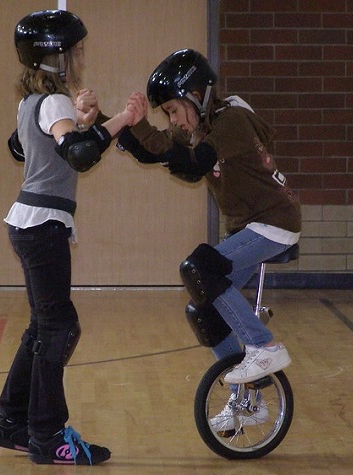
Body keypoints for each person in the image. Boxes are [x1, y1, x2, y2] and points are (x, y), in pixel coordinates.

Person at [118, 49, 301, 430]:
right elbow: (159, 152)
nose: (170, 120)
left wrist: (145, 134)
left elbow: (190, 165)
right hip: (250, 226)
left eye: (171, 109)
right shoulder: (202, 126)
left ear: (196, 95)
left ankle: (263, 346)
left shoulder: (231, 120)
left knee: (199, 268)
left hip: (273, 222)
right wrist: (123, 123)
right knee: (203, 308)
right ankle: (249, 403)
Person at [0, 10, 134, 466]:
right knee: (60, 327)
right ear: (57, 57)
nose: (82, 57)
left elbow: (21, 146)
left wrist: (83, 118)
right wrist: (121, 120)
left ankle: (11, 422)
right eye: (77, 51)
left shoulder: (35, 101)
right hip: (41, 226)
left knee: (43, 325)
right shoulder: (52, 102)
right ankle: (47, 435)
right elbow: (81, 155)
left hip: (30, 222)